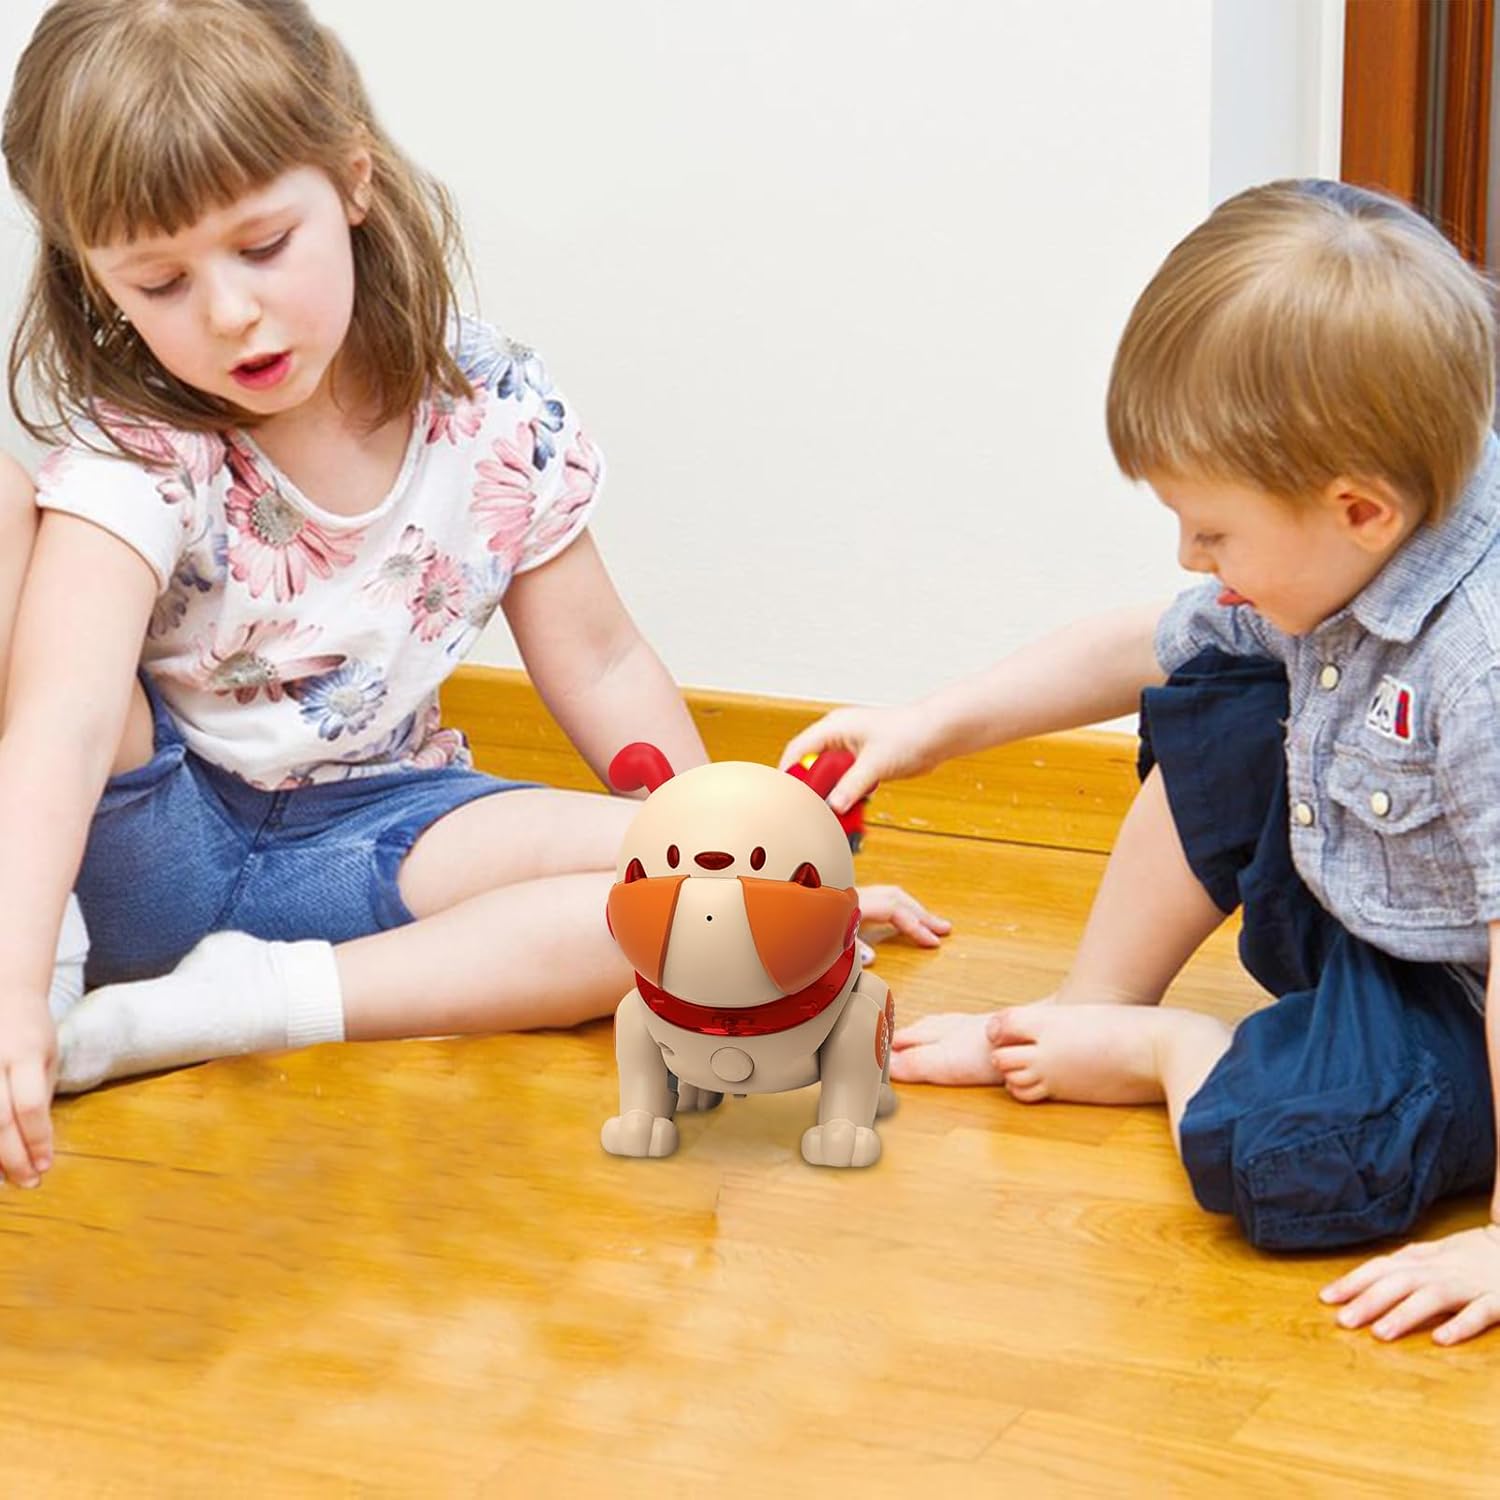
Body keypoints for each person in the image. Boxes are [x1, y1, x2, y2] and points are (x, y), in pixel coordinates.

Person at [0, 0, 946, 1192]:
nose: (229, 312)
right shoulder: (139, 450)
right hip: (150, 840)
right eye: (160, 281)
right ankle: (50, 977)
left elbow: (601, 661)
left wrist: (765, 866)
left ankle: (223, 1009)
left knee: (702, 895)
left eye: (262, 246)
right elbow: (65, 720)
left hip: (387, 821)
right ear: (95, 281)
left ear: (353, 179)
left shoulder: (486, 404)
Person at [784, 178, 1500, 1345]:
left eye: (1212, 531)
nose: (1189, 556)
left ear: (1359, 509)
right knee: (1219, 682)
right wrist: (926, 726)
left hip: (1467, 1001)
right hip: (1374, 900)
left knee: (1287, 1159)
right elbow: (1142, 646)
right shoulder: (1356, 538)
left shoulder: (1482, 663)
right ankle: (1086, 1009)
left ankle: (1170, 1050)